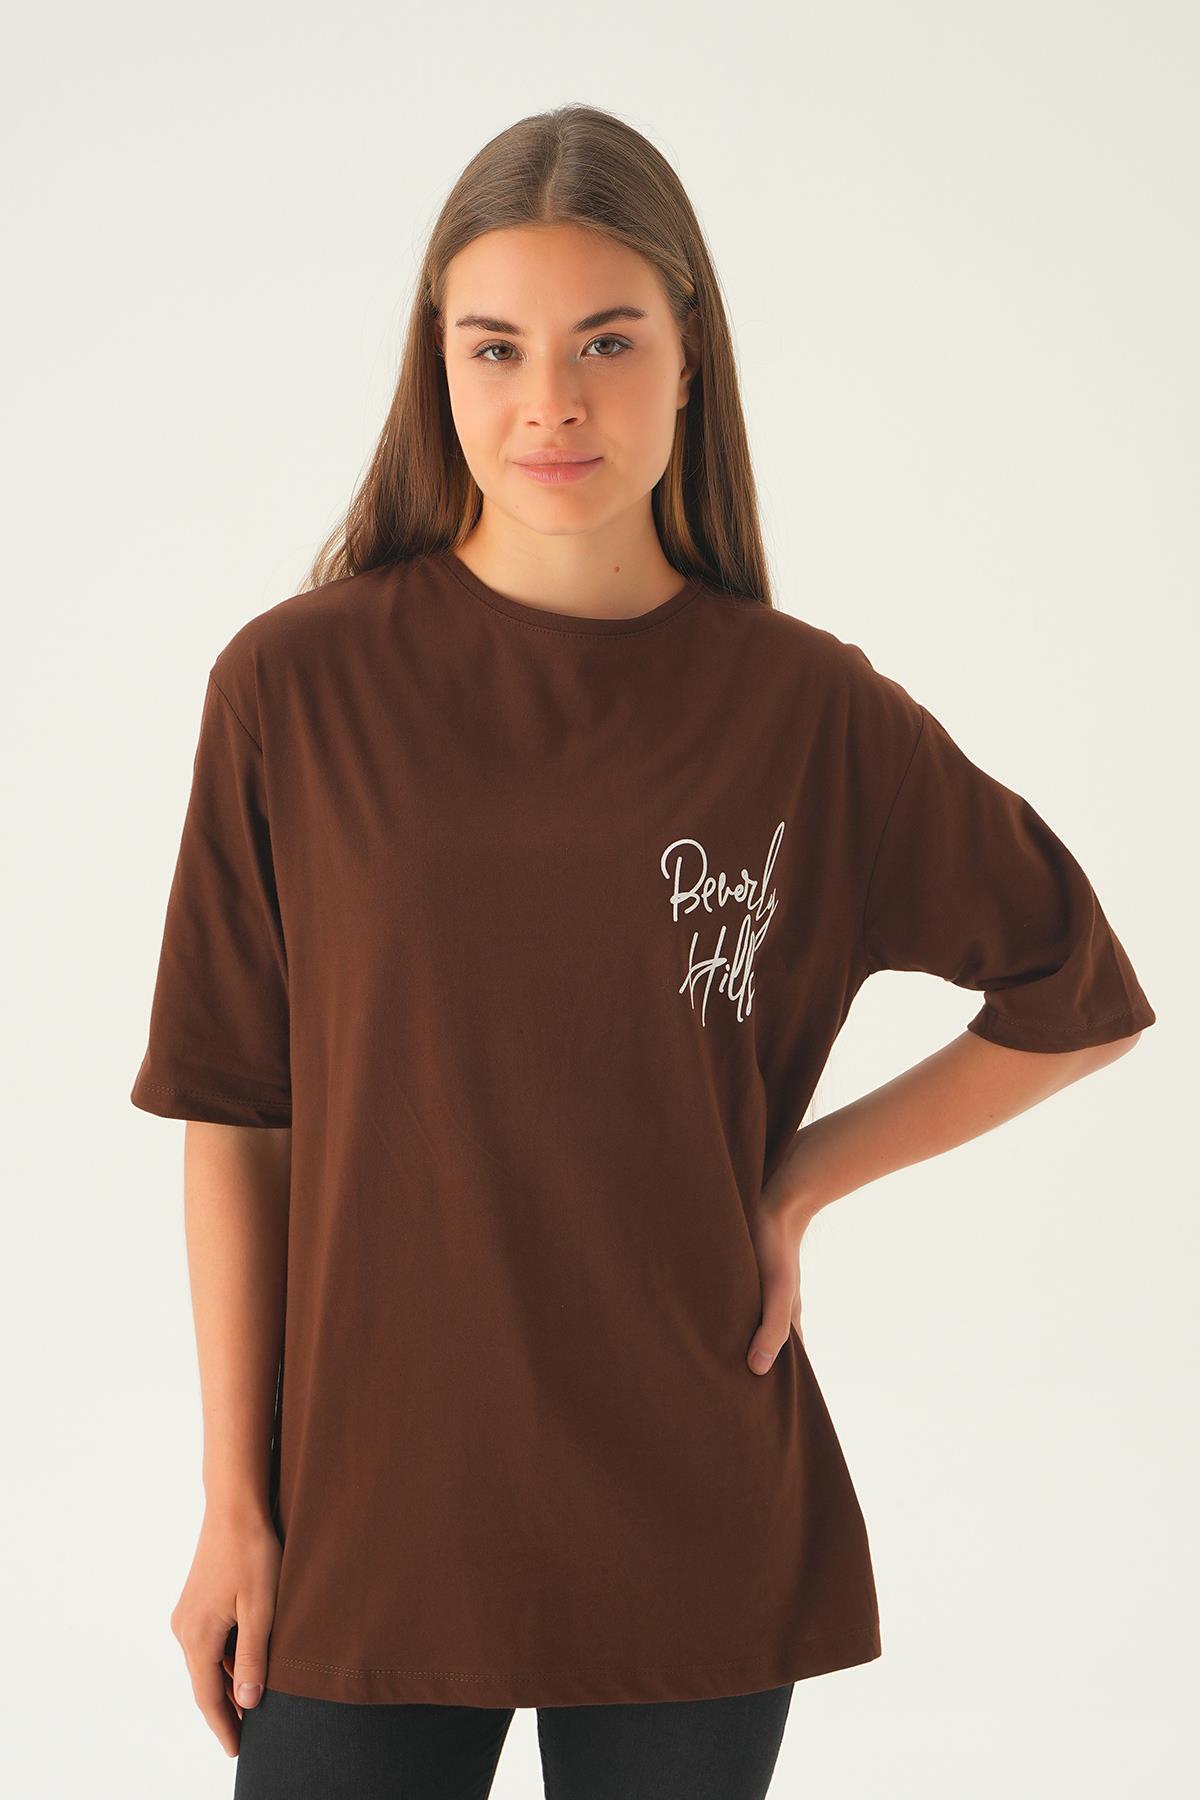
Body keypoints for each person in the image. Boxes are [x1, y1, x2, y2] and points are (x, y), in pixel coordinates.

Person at [128, 103, 1156, 1800]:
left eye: (607, 342)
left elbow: (1077, 992)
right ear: (438, 368)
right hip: (368, 1516)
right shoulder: (292, 692)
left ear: (691, 361)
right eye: (498, 347)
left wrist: (796, 1182)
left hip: (691, 1505)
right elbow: (238, 1115)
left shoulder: (804, 711)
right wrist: (236, 1502)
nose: (551, 400)